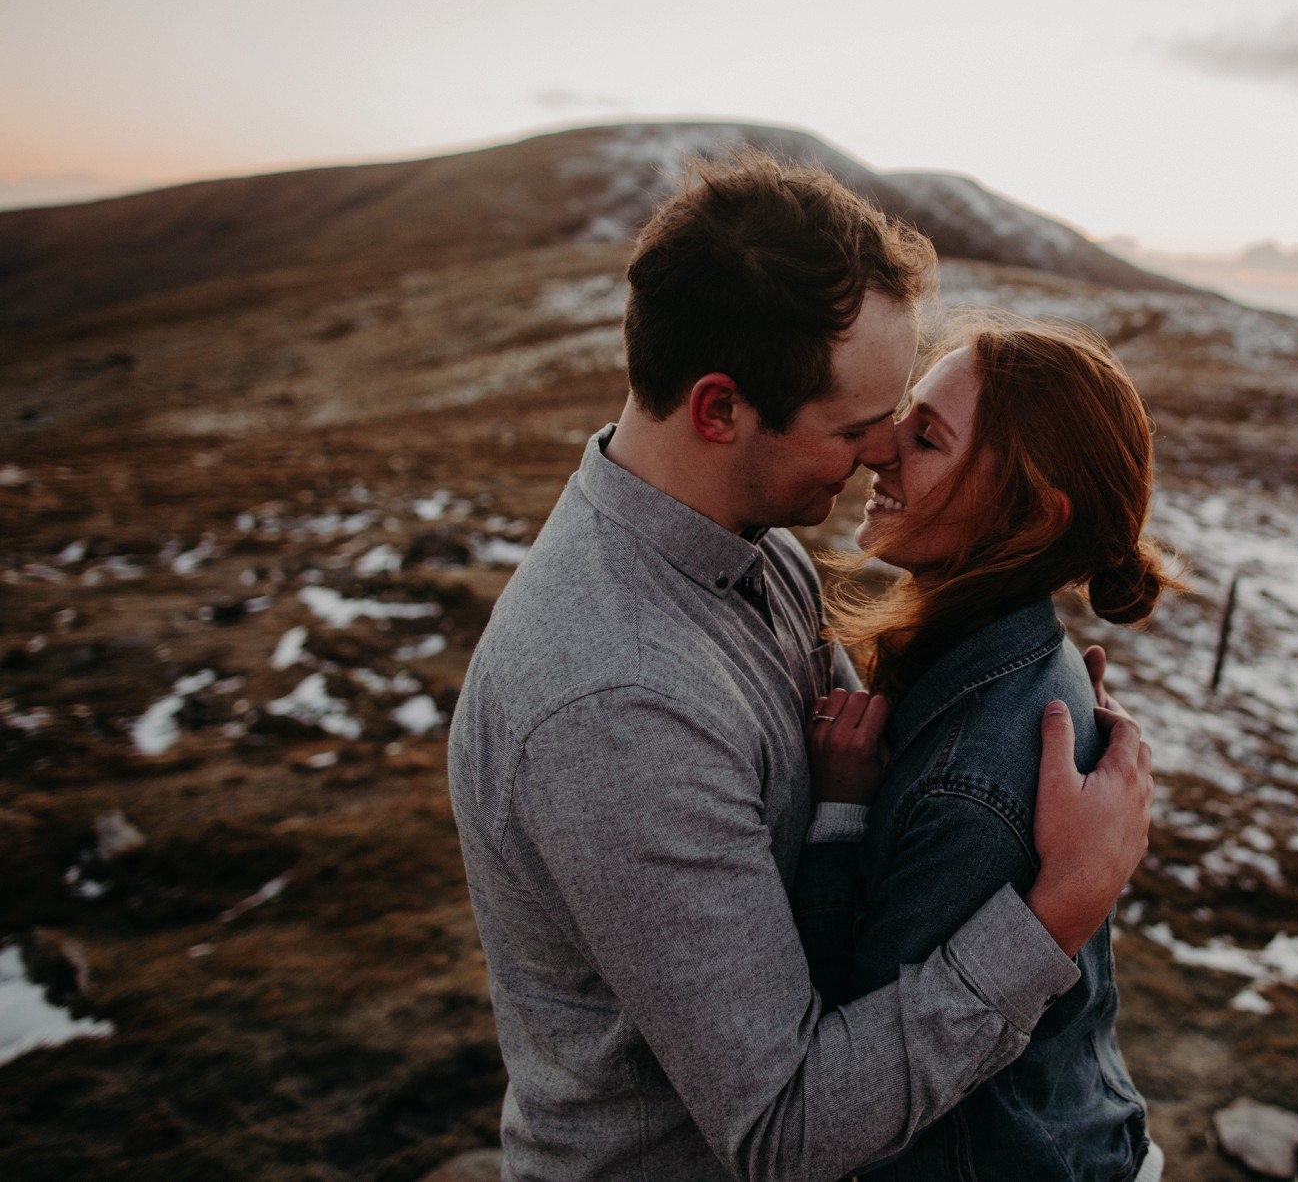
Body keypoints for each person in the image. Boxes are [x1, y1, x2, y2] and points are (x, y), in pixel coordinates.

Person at [446, 151, 1155, 1182]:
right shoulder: (615, 706)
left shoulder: (756, 550)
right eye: (856, 427)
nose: (880, 454)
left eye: (901, 415)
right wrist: (1061, 907)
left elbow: (883, 769)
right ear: (719, 409)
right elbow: (788, 1128)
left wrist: (1025, 706)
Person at [795, 318, 1176, 1181]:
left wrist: (841, 814)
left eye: (926, 437)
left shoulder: (979, 787)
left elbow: (856, 1079)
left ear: (1030, 516)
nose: (881, 446)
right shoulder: (991, 661)